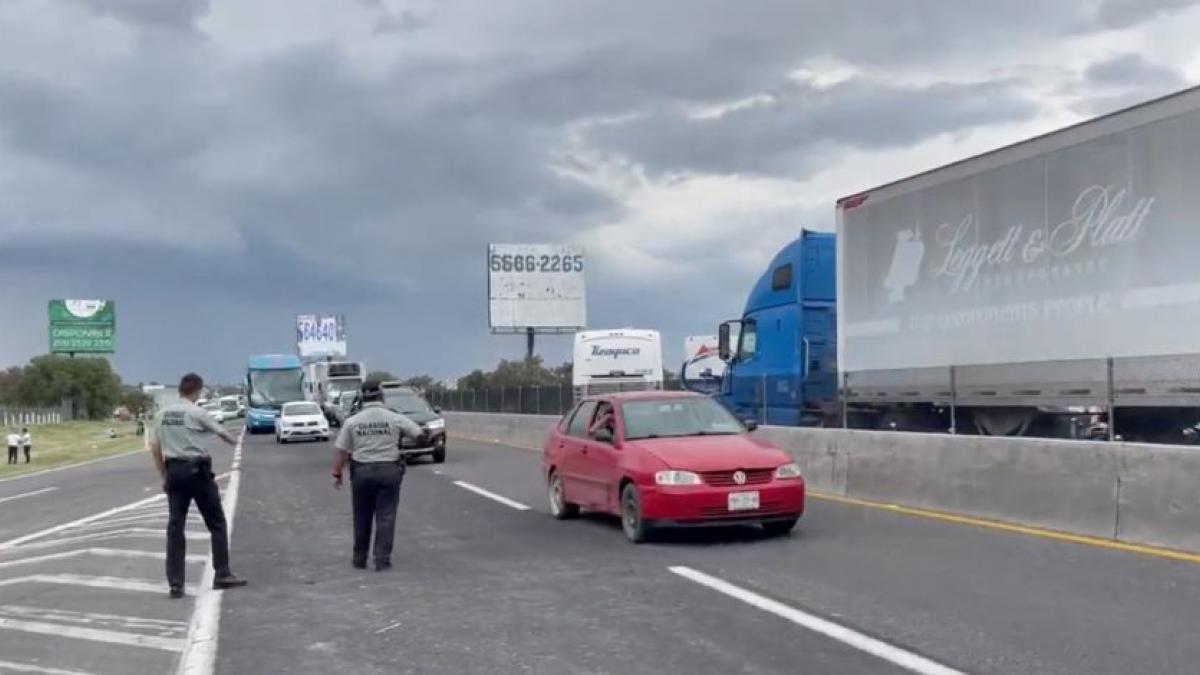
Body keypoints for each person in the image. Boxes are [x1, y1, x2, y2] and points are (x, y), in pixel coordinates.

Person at [148, 372, 248, 599]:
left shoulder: (161, 414)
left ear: (180, 390)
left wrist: (164, 476)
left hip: (174, 471)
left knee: (175, 528)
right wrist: (237, 441)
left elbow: (155, 448)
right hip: (197, 472)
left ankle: (176, 584)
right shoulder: (196, 412)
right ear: (197, 391)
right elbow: (222, 432)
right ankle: (222, 573)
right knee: (216, 523)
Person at [331, 380, 424, 571]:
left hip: (361, 472)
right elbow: (419, 434)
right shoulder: (394, 417)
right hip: (389, 470)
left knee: (362, 516)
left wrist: (337, 472)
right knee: (386, 516)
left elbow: (341, 450)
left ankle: (359, 558)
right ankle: (382, 559)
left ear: (362, 397)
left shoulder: (353, 421)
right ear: (382, 396)